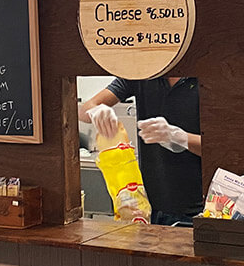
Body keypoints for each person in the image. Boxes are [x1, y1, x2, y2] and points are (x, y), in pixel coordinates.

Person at [79, 76, 201, 226]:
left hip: (199, 209)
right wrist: (96, 111)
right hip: (150, 209)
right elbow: (84, 110)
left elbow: (227, 149)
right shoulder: (142, 74)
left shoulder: (204, 77)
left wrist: (181, 138)